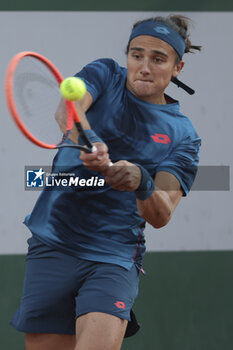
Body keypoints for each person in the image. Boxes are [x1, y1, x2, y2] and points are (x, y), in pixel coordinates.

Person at [11, 14, 201, 350]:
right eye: (136, 54)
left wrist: (141, 180)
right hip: (52, 242)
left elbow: (161, 214)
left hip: (113, 257)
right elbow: (68, 111)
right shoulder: (104, 73)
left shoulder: (183, 136)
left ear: (177, 68)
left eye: (158, 59)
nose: (144, 66)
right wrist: (91, 139)